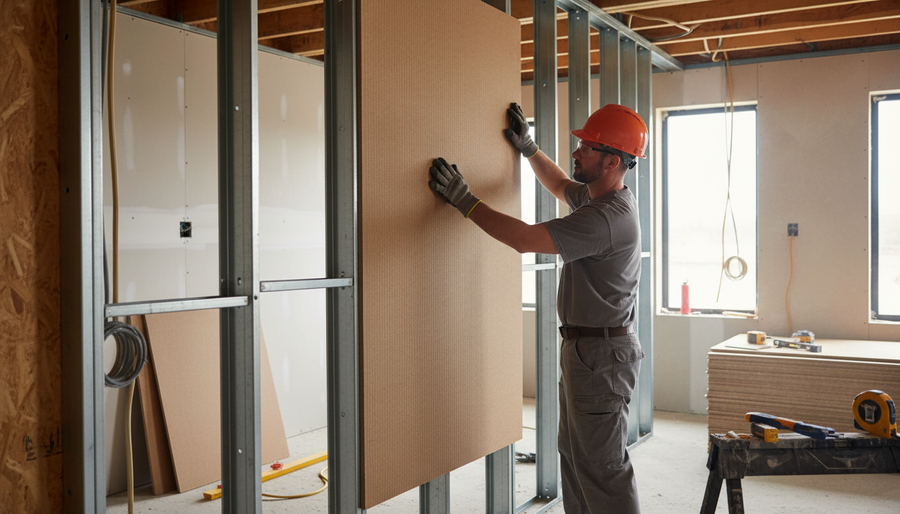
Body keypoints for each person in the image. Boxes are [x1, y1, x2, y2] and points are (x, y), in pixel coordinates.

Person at [428, 102, 648, 514]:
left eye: (587, 147)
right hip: (590, 352)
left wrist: (465, 200)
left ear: (612, 161)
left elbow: (525, 239)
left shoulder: (605, 218)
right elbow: (562, 185)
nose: (577, 151)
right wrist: (529, 148)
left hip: (602, 356)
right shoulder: (600, 197)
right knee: (576, 457)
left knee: (603, 467)